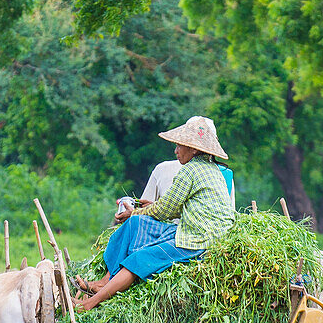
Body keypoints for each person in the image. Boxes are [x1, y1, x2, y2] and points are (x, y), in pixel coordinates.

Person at [75, 116, 235, 312]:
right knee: (136, 224)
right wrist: (143, 211)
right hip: (197, 231)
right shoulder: (212, 170)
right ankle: (105, 280)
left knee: (138, 259)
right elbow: (174, 208)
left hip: (198, 240)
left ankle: (90, 303)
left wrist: (136, 212)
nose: (176, 151)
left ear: (193, 149)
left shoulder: (190, 170)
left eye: (179, 146)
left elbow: (165, 210)